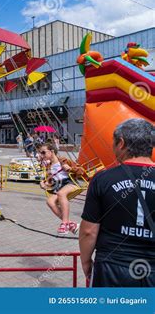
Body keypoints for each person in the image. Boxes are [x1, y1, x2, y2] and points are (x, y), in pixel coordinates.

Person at [79, 119, 155, 287]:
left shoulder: (103, 179)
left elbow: (89, 231)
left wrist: (85, 261)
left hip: (112, 268)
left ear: (121, 143)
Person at [38, 142, 85, 235]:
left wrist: (70, 169)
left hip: (70, 183)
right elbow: (51, 182)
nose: (41, 155)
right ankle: (71, 223)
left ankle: (64, 223)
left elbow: (81, 171)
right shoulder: (48, 167)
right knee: (50, 201)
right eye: (40, 153)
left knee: (61, 194)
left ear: (51, 151)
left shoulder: (63, 160)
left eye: (43, 152)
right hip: (59, 187)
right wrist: (45, 184)